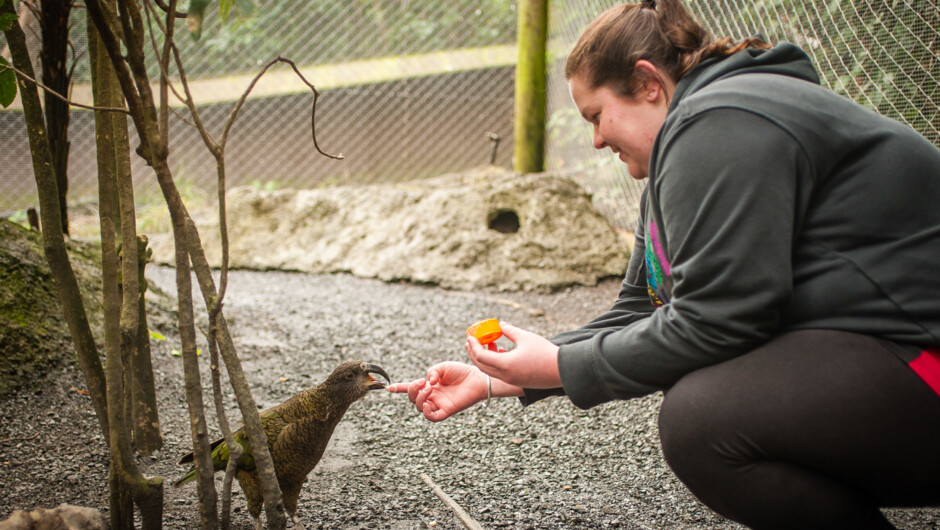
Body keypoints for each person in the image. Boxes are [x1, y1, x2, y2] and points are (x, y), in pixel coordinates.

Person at [388, 0, 940, 527]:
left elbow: (719, 319)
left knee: (703, 419)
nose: (598, 139)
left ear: (650, 83)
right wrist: (499, 379)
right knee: (706, 406)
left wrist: (557, 367)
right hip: (886, 358)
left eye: (598, 115)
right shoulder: (681, 157)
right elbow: (641, 309)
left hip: (923, 360)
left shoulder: (723, 120)